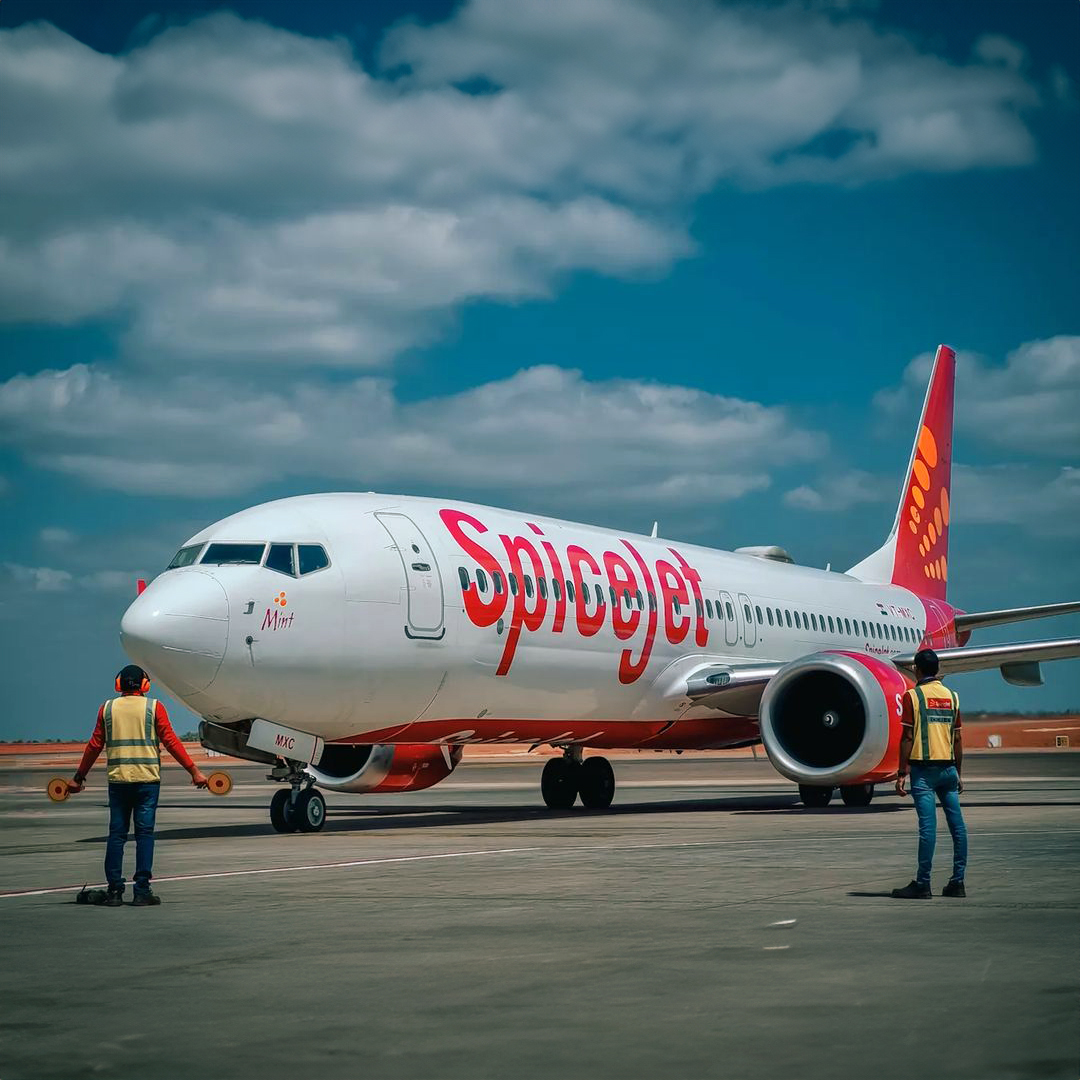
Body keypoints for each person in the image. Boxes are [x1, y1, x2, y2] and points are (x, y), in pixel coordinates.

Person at [66, 665, 208, 906]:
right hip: (147, 782)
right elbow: (171, 741)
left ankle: (114, 892)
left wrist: (78, 777)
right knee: (144, 835)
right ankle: (142, 891)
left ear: (118, 684)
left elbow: (94, 746)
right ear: (145, 685)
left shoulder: (107, 709)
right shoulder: (154, 707)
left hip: (118, 781)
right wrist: (193, 771)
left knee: (117, 836)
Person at [892, 648, 967, 899]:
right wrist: (958, 772)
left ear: (917, 669)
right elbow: (957, 738)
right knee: (958, 828)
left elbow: (908, 736)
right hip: (948, 770)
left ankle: (923, 884)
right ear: (937, 669)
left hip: (923, 772)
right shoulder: (952, 697)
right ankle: (957, 882)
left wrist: (901, 772)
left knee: (928, 829)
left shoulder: (912, 697)